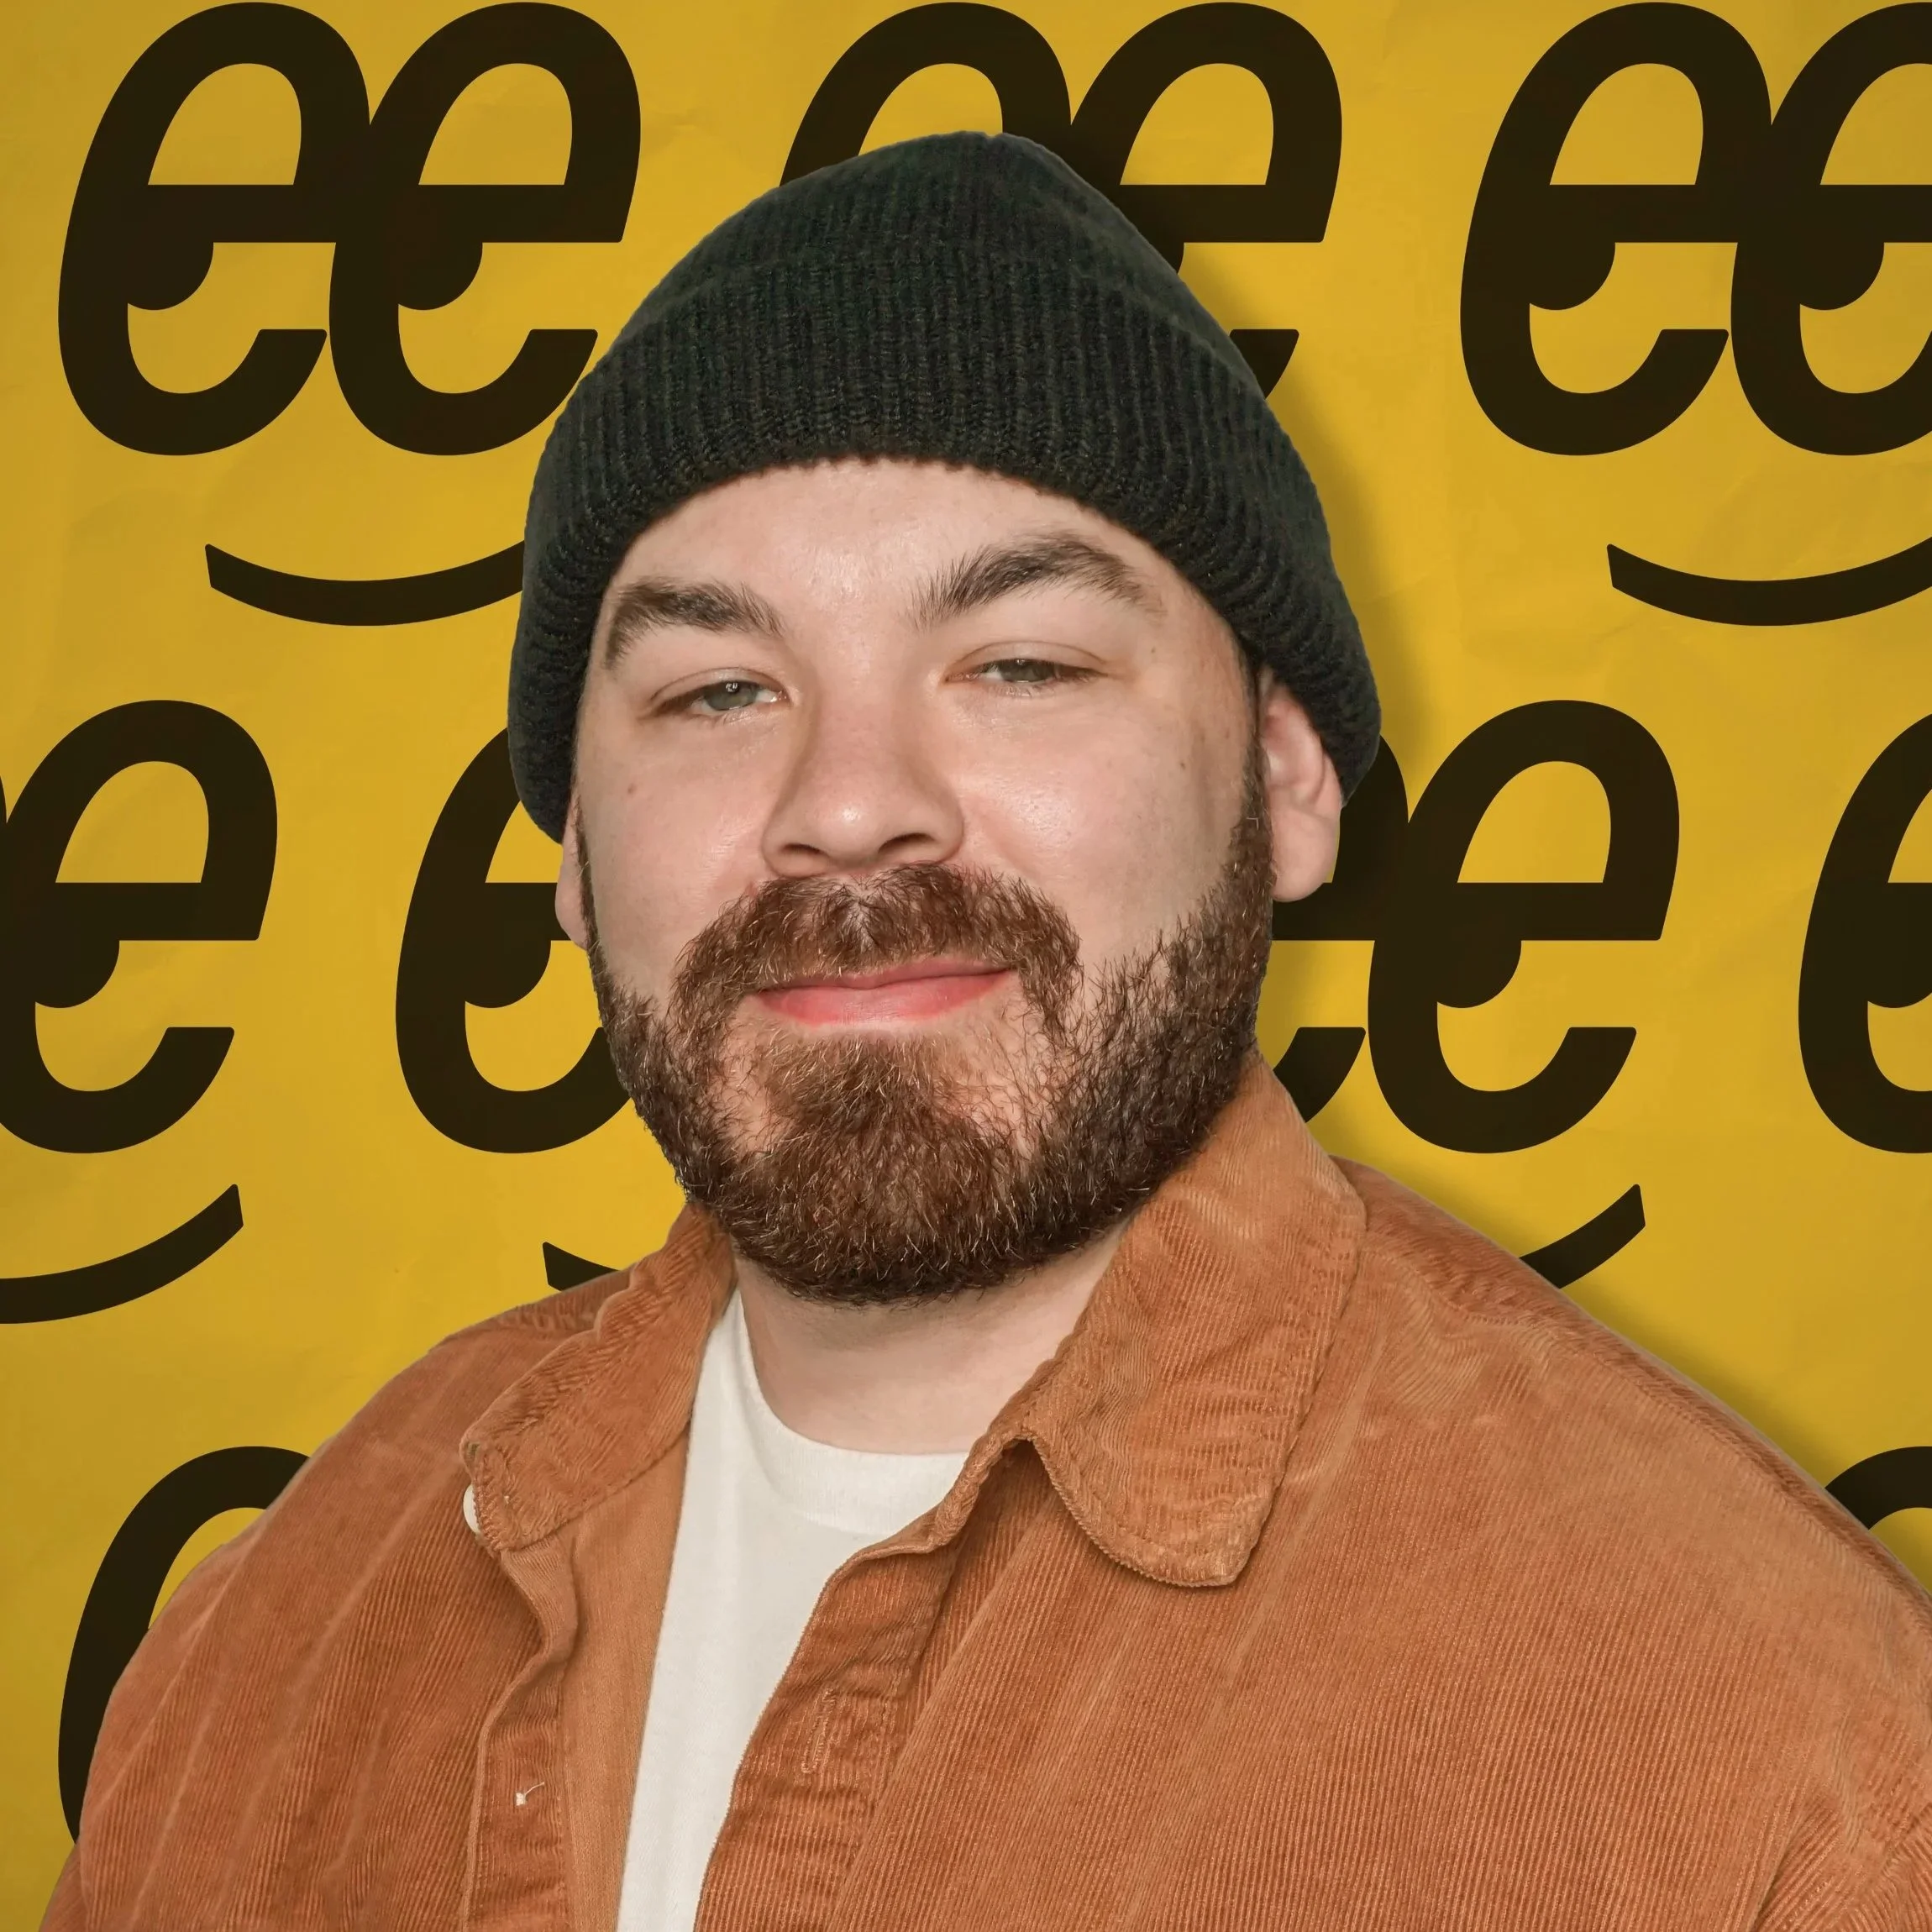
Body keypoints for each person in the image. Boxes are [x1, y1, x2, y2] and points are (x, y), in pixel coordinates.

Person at [46, 133, 1932, 1932]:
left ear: (1289, 778)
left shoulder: (1768, 1751)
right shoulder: (291, 1608)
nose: (850, 804)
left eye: (1021, 664)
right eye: (717, 690)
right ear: (569, 855)